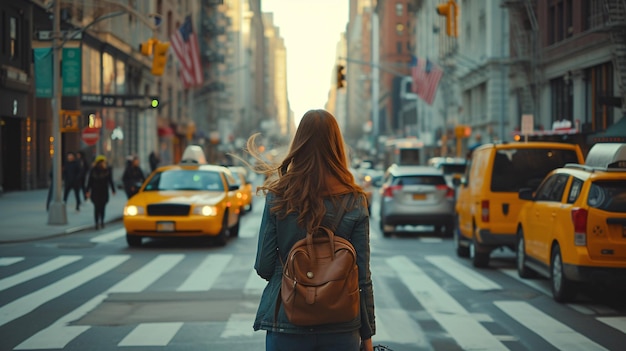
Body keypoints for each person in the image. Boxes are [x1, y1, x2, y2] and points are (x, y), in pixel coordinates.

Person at [245, 109, 375, 351]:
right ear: (337, 146)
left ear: (299, 143)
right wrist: (367, 337)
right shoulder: (354, 199)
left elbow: (264, 266)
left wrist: (300, 274)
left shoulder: (278, 196)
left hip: (287, 323)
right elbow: (363, 278)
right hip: (342, 327)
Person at [85, 155, 116, 230]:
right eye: (102, 162)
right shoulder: (93, 170)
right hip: (95, 191)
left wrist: (113, 189)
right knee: (96, 208)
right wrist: (87, 191)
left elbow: (110, 180)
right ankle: (96, 223)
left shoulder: (107, 170)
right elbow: (90, 181)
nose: (104, 164)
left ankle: (102, 221)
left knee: (102, 208)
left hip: (104, 191)